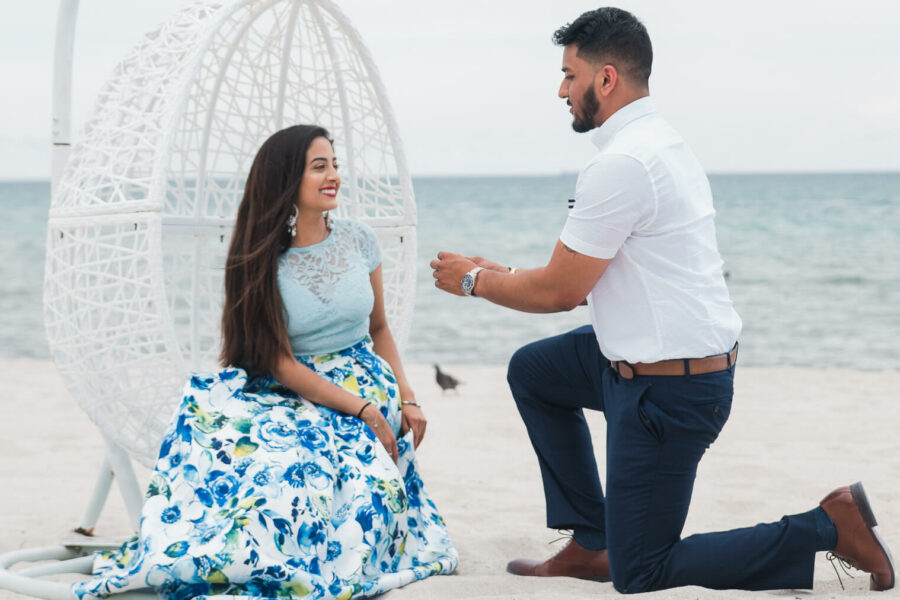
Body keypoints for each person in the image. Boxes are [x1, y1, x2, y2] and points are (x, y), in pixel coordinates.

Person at [431, 7, 893, 594]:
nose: (560, 90)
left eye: (569, 75)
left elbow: (561, 291)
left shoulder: (623, 164)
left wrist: (474, 281)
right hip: (638, 359)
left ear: (605, 79)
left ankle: (826, 526)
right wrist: (508, 272)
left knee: (642, 572)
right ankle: (592, 540)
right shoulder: (660, 142)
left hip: (670, 390)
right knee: (535, 372)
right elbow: (585, 278)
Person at [74, 125, 458, 600]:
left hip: (364, 382)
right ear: (285, 178)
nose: (333, 175)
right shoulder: (258, 259)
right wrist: (359, 410)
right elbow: (278, 362)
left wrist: (408, 398)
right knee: (263, 471)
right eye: (319, 167)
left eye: (334, 164)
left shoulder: (359, 240)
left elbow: (380, 329)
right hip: (293, 385)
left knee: (328, 477)